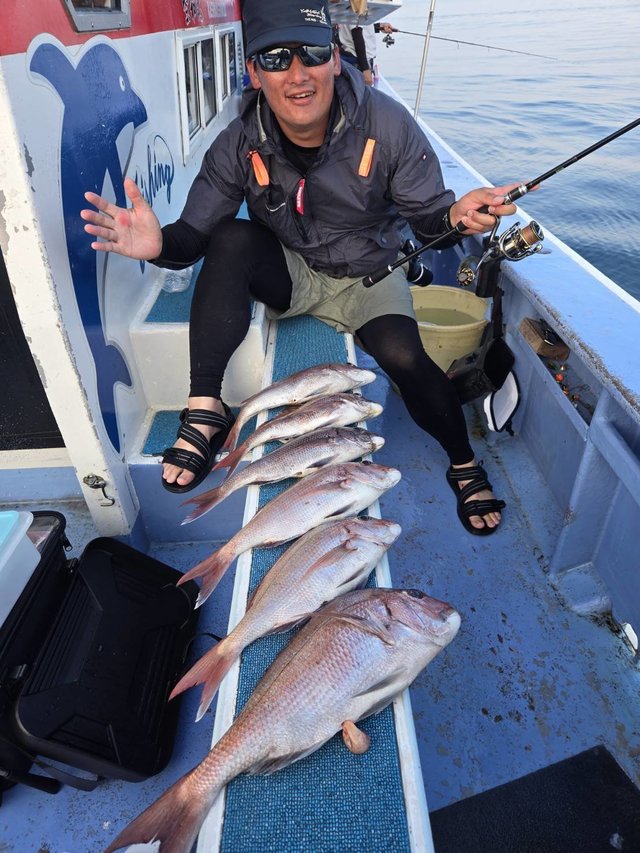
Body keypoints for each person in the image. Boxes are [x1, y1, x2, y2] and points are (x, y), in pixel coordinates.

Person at [81, 0, 517, 535]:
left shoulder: (388, 124)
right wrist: (157, 246)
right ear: (254, 73)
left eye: (311, 53)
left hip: (370, 273)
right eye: (275, 58)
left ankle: (463, 461)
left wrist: (455, 216)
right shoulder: (238, 142)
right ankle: (207, 408)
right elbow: (192, 237)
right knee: (231, 238)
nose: (297, 73)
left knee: (406, 358)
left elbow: (429, 220)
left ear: (334, 58)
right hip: (294, 268)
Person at [335, 21, 396, 87]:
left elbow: (359, 26)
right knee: (359, 92)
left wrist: (379, 26)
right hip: (357, 62)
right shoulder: (358, 13)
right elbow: (357, 34)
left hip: (358, 60)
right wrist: (365, 69)